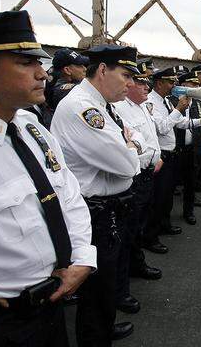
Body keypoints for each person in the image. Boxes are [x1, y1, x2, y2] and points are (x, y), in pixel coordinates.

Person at [0, 10, 95, 346]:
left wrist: (82, 256)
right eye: (26, 63)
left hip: (49, 308)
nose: (42, 73)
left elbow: (67, 194)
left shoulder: (29, 126)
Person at [51, 44, 142, 345]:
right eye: (126, 75)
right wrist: (130, 148)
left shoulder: (104, 106)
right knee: (96, 287)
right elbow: (127, 163)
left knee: (106, 282)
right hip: (93, 212)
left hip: (107, 209)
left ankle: (104, 326)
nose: (131, 84)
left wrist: (131, 146)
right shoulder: (82, 108)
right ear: (103, 70)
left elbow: (134, 139)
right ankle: (95, 338)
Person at [113, 68, 163, 316]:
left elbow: (150, 136)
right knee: (126, 232)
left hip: (147, 173)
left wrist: (158, 156)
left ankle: (136, 264)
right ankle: (119, 291)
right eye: (140, 82)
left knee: (137, 227)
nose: (146, 87)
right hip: (134, 175)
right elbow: (130, 143)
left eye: (146, 83)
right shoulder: (121, 108)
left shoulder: (142, 106)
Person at [144, 67, 201, 251]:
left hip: (171, 155)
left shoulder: (164, 101)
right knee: (158, 198)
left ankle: (164, 225)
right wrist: (179, 108)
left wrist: (200, 122)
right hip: (162, 156)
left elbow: (179, 123)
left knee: (167, 196)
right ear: (159, 83)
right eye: (170, 82)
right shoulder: (151, 103)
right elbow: (163, 128)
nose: (174, 85)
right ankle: (151, 237)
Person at [168, 72, 201, 224]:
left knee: (190, 182)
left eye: (196, 85)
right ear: (183, 86)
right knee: (170, 184)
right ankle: (164, 217)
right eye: (192, 85)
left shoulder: (199, 103)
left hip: (193, 149)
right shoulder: (172, 102)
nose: (195, 88)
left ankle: (189, 212)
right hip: (177, 148)